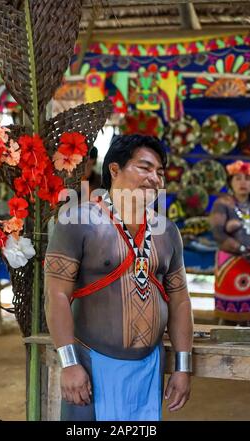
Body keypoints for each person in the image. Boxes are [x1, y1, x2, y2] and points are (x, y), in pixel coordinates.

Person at [44, 134, 193, 421]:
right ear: (114, 170)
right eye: (145, 168)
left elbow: (180, 301)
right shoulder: (77, 222)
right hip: (91, 365)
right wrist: (70, 363)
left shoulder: (167, 231)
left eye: (160, 173)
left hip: (149, 368)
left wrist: (182, 366)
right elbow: (56, 295)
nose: (154, 179)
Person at [210, 161, 250, 325]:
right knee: (229, 318)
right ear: (230, 182)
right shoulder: (223, 203)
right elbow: (218, 233)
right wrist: (242, 249)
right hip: (230, 265)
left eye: (247, 179)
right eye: (238, 178)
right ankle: (227, 350)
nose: (243, 183)